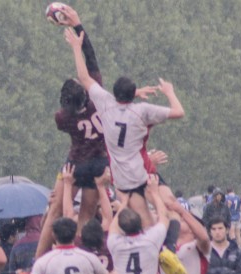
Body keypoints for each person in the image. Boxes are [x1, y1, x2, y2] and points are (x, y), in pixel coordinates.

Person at [64, 26, 183, 237]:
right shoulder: (142, 111)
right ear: (132, 94)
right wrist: (169, 92)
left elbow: (83, 77)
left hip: (118, 175)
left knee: (124, 221)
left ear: (114, 93)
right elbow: (178, 112)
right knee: (151, 217)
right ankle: (160, 248)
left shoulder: (105, 104)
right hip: (139, 171)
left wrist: (75, 48)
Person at [51, 7, 110, 232]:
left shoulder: (62, 118)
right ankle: (84, 249)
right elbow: (91, 58)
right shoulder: (98, 98)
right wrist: (78, 25)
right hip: (98, 160)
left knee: (55, 212)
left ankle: (40, 257)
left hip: (75, 162)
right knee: (86, 215)